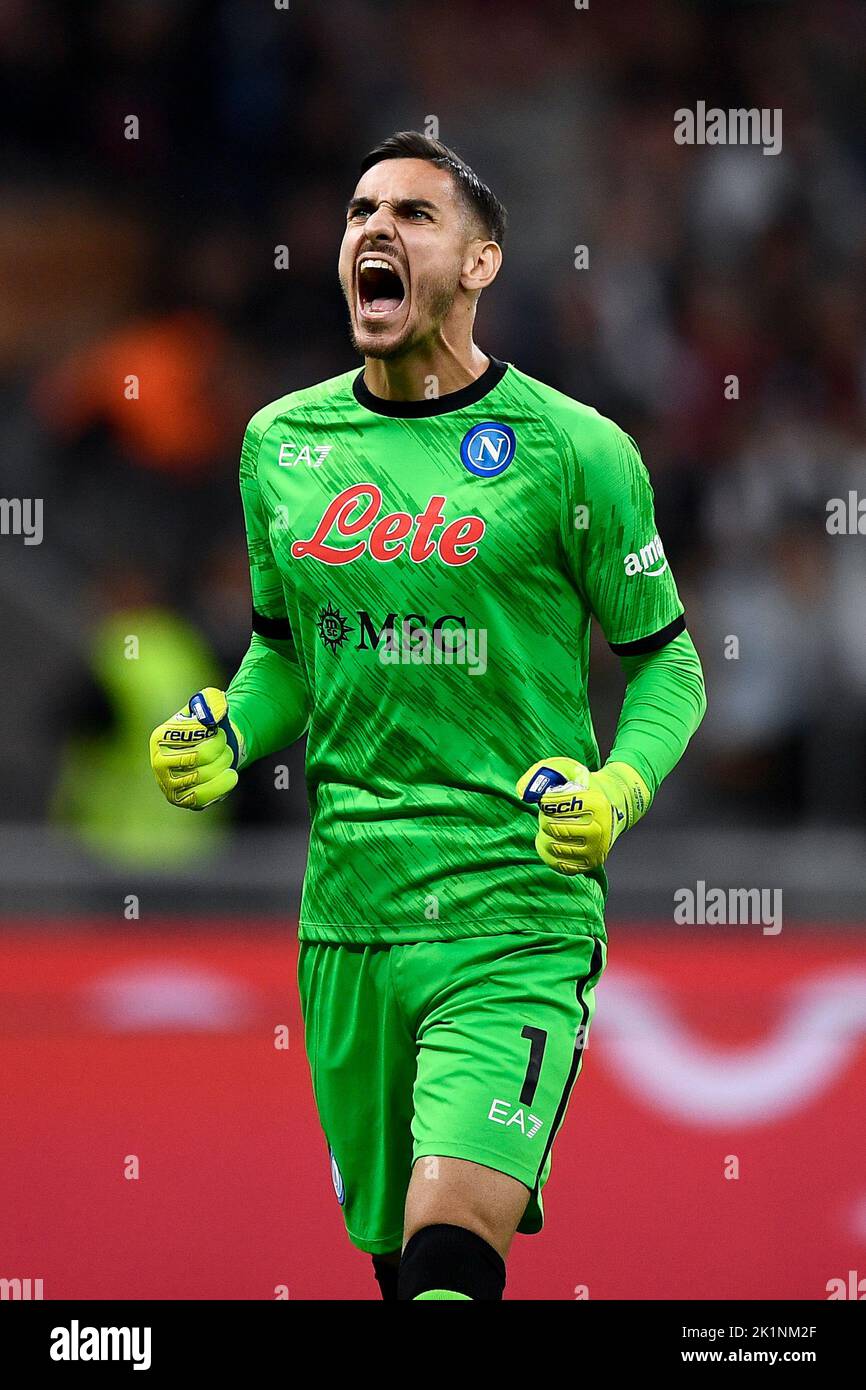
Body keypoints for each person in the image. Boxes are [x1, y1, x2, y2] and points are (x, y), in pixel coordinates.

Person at [150, 131, 706, 1301]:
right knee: (399, 1265)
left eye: (411, 213)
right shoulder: (280, 445)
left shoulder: (575, 450)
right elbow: (283, 654)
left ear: (478, 262)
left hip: (513, 908)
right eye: (359, 212)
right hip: (348, 914)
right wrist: (229, 732)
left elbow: (668, 666)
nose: (373, 230)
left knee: (452, 1237)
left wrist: (615, 790)